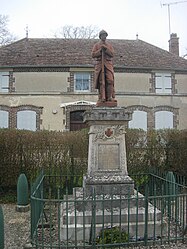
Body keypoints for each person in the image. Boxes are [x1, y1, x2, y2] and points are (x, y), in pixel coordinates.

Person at [91, 30, 116, 103]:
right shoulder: (96, 45)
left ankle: (109, 97)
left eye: (105, 35)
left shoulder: (109, 45)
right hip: (100, 65)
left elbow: (112, 54)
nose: (104, 37)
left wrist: (106, 49)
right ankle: (102, 97)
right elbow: (93, 55)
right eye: (102, 35)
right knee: (101, 81)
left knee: (110, 80)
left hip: (108, 64)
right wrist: (100, 51)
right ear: (100, 36)